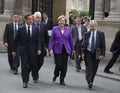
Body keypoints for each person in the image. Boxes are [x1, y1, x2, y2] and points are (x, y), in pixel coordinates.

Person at [12, 14, 41, 88]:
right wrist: (14, 50)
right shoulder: (21, 28)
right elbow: (16, 40)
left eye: (32, 19)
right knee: (24, 66)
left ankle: (27, 74)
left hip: (33, 50)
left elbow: (38, 40)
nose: (31, 20)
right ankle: (25, 81)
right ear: (25, 20)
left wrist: (39, 49)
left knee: (33, 65)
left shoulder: (35, 28)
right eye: (29, 19)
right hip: (23, 50)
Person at [49, 15, 75, 85]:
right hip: (57, 49)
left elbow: (70, 40)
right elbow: (51, 39)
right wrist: (50, 48)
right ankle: (56, 74)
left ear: (65, 22)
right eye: (60, 21)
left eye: (63, 21)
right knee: (58, 64)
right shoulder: (55, 28)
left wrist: (73, 49)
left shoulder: (68, 29)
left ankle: (62, 79)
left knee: (64, 66)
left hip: (66, 49)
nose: (61, 22)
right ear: (58, 22)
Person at [82, 20, 106, 89]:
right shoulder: (87, 33)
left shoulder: (101, 33)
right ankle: (89, 81)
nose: (91, 27)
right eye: (90, 26)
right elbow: (84, 44)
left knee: (94, 67)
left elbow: (103, 45)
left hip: (98, 51)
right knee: (89, 67)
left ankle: (91, 80)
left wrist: (102, 54)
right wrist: (83, 53)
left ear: (96, 26)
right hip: (88, 51)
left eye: (92, 26)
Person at [33, 11, 48, 81]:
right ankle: (35, 75)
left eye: (40, 18)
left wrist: (47, 46)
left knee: (40, 62)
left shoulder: (44, 25)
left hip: (41, 47)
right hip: (33, 47)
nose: (39, 19)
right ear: (34, 18)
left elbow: (46, 37)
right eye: (37, 17)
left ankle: (35, 71)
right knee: (34, 62)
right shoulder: (32, 25)